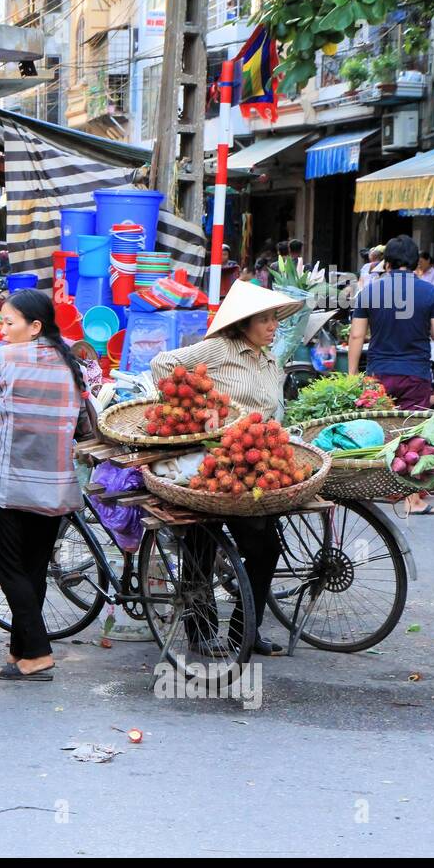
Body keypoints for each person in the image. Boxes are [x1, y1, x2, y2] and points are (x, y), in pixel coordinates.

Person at [151, 281, 305, 658]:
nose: (272, 326)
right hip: (215, 457)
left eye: (274, 319)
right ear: (244, 323)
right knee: (202, 544)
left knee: (266, 548)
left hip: (257, 459)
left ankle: (244, 630)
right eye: (265, 319)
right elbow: (163, 364)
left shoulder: (270, 359)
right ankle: (200, 631)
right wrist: (202, 408)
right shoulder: (220, 348)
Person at [0, 289, 92, 680]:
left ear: (35, 327)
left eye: (9, 322)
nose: (2, 330)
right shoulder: (71, 364)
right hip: (55, 486)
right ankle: (21, 653)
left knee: (9, 568)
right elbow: (83, 422)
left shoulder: (5, 358)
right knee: (32, 570)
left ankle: (39, 652)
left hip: (10, 483)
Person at [348, 235, 434, 516]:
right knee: (411, 437)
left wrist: (352, 374)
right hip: (415, 374)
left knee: (379, 432)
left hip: (378, 372)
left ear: (387, 262)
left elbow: (357, 334)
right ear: (416, 262)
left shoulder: (369, 291)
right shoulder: (430, 292)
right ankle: (412, 500)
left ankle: (378, 489)